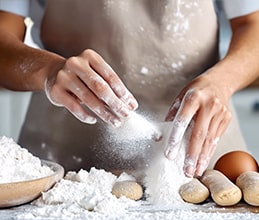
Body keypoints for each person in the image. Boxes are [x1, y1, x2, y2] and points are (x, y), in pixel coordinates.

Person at [0, 0, 259, 177]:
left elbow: (253, 23)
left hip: (199, 155)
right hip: (64, 162)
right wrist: (48, 71)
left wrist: (221, 82)